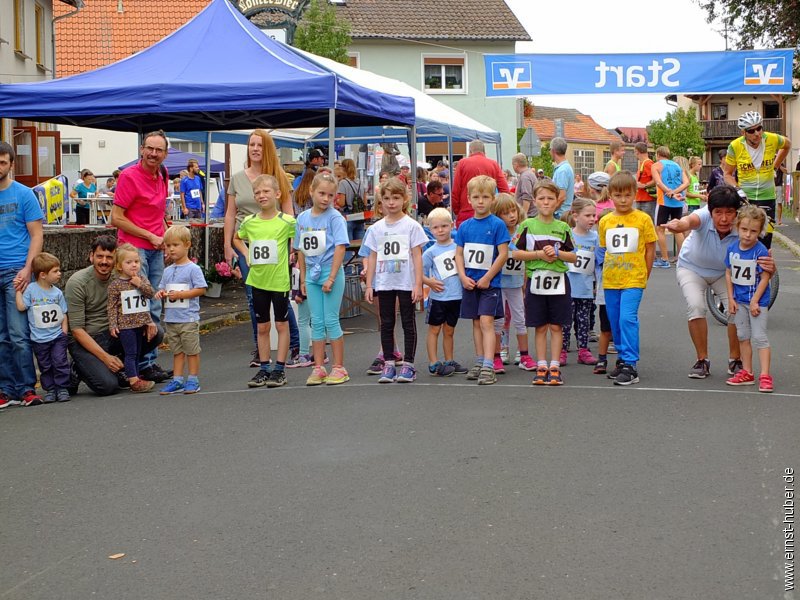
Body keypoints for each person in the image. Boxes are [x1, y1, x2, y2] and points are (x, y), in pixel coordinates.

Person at [662, 185, 768, 379]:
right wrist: (679, 225)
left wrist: (771, 265)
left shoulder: (743, 224)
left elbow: (763, 251)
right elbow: (689, 221)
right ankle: (702, 360)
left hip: (724, 273)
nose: (724, 218)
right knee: (696, 306)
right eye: (718, 213)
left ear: (737, 212)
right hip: (692, 267)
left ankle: (735, 360)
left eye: (729, 212)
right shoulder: (703, 216)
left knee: (736, 311)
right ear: (710, 211)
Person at [225, 129, 296, 367]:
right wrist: (229, 246)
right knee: (254, 296)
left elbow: (289, 213)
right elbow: (230, 213)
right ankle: (261, 350)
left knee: (280, 296)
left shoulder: (279, 177)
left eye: (260, 145)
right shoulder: (237, 178)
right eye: (251, 144)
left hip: (276, 241)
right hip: (248, 240)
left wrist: (291, 246)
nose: (255, 149)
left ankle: (293, 344)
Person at [65, 236, 163, 396]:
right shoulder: (77, 283)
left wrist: (148, 321)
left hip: (116, 332)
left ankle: (124, 369)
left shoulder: (121, 277)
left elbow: (140, 299)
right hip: (88, 338)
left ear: (116, 260)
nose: (104, 261)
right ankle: (78, 366)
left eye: (109, 257)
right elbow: (77, 330)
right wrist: (105, 358)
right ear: (91, 256)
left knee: (156, 333)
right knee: (108, 386)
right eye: (99, 256)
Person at [111, 130, 172, 383]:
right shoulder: (129, 176)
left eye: (159, 150)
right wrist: (149, 235)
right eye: (150, 148)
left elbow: (158, 212)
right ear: (141, 149)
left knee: (155, 303)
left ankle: (149, 361)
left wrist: (166, 236)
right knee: (139, 306)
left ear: (165, 154)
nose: (153, 154)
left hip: (156, 247)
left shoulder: (164, 175)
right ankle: (138, 364)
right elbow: (116, 217)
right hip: (133, 250)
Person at [363, 177, 428, 384]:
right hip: (384, 282)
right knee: (387, 322)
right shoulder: (376, 229)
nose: (391, 203)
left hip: (405, 281)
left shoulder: (411, 226)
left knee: (408, 322)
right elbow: (372, 256)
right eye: (387, 198)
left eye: (396, 198)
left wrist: (419, 284)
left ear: (404, 199)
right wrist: (370, 284)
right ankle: (389, 362)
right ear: (380, 201)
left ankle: (408, 364)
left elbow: (417, 256)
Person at [234, 175, 296, 388]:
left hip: (279, 281)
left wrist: (293, 252)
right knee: (262, 327)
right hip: (257, 281)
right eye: (257, 193)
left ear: (277, 194)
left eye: (266, 192)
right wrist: (246, 253)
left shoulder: (287, 220)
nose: (261, 196)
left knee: (281, 324)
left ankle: (280, 369)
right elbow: (236, 237)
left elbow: (300, 234)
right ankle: (263, 368)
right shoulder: (250, 222)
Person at [597, 171, 657, 386]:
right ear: (610, 195)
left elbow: (650, 248)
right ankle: (622, 358)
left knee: (627, 318)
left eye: (627, 195)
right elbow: (604, 250)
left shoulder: (643, 219)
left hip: (633, 278)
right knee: (614, 322)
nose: (623, 200)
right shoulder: (605, 221)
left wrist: (645, 273)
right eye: (618, 195)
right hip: (611, 279)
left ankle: (631, 364)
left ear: (634, 195)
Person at [515, 181, 576, 386]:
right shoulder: (527, 225)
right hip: (535, 281)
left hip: (558, 281)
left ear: (558, 202)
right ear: (534, 201)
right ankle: (541, 365)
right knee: (540, 326)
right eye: (541, 198)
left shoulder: (563, 227)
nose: (546, 202)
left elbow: (574, 256)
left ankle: (555, 366)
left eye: (550, 198)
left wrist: (558, 253)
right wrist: (539, 254)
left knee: (556, 326)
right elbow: (515, 252)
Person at [295, 172, 350, 386]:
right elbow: (300, 249)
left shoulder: (335, 217)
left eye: (330, 195)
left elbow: (340, 247)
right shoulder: (302, 218)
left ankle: (339, 366)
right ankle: (318, 366)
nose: (326, 199)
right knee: (316, 321)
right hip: (311, 273)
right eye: (322, 194)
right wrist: (303, 278)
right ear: (311, 192)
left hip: (329, 271)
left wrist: (333, 277)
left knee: (330, 319)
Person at [0, 141, 44, 409]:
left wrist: (28, 269)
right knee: (0, 336)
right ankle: (5, 390)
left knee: (18, 334)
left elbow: (37, 235)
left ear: (11, 164)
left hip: (16, 271)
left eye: (3, 162)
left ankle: (27, 388)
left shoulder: (24, 194)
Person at [455, 175, 510, 385]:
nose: (480, 201)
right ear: (469, 199)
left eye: (485, 197)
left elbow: (503, 254)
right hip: (470, 282)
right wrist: (462, 276)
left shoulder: (497, 225)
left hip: (490, 284)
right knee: (476, 322)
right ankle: (479, 360)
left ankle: (489, 364)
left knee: (487, 321)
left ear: (493, 199)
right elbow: (459, 254)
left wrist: (488, 277)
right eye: (476, 197)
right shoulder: (465, 227)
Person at [723, 111, 791, 248]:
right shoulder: (735, 146)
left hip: (768, 197)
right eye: (751, 130)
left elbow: (787, 144)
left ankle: (763, 267)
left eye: (759, 128)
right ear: (743, 132)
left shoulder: (772, 139)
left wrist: (775, 166)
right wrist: (737, 189)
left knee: (765, 242)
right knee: (745, 240)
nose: (757, 133)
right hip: (746, 199)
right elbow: (727, 174)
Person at [724, 205, 773, 392]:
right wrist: (730, 298)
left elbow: (765, 276)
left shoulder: (760, 251)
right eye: (744, 229)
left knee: (760, 337)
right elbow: (728, 273)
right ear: (737, 227)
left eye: (753, 231)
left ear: (760, 232)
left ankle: (765, 375)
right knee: (743, 337)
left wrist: (755, 301)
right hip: (739, 301)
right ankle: (747, 372)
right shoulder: (732, 248)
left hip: (757, 302)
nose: (747, 235)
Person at [155, 225, 208, 395]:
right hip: (171, 318)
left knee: (191, 351)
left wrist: (181, 294)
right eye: (168, 245)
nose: (171, 249)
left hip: (188, 318)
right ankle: (177, 379)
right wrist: (161, 293)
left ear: (187, 245)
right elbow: (162, 288)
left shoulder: (193, 269)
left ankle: (193, 379)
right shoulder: (168, 270)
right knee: (177, 351)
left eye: (175, 245)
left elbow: (201, 289)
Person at [16, 252, 70, 403]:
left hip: (57, 336)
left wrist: (64, 332)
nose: (59, 274)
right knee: (45, 365)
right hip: (39, 339)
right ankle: (50, 389)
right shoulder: (31, 290)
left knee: (60, 361)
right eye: (55, 271)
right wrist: (18, 292)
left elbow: (63, 313)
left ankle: (62, 387)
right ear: (43, 275)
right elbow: (21, 307)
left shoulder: (57, 293)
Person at [491, 194, 535, 373]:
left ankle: (524, 354)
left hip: (516, 282)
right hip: (499, 282)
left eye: (513, 211)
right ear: (497, 215)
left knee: (520, 317)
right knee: (499, 320)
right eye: (505, 213)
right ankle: (497, 353)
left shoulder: (522, 230)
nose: (511, 216)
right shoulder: (495, 232)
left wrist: (525, 281)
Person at [106, 243, 158, 393]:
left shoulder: (142, 278)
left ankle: (135, 375)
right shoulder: (115, 285)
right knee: (130, 353)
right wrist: (113, 324)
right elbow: (112, 306)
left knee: (137, 352)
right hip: (125, 325)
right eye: (129, 262)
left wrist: (139, 284)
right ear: (119, 266)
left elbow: (150, 294)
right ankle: (133, 380)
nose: (134, 265)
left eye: (136, 261)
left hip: (140, 324)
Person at [422, 208, 463, 377]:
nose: (440, 230)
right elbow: (419, 273)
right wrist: (429, 282)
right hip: (438, 297)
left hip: (456, 296)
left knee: (449, 330)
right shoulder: (430, 252)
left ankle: (449, 360)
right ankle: (433, 362)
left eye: (444, 226)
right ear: (430, 229)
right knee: (434, 329)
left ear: (451, 226)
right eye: (436, 227)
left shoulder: (458, 248)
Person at [563, 197, 599, 367]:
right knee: (565, 320)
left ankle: (583, 350)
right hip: (567, 286)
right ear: (575, 216)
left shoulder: (595, 238)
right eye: (588, 215)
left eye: (594, 215)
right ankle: (561, 350)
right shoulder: (567, 234)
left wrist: (597, 284)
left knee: (584, 320)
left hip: (586, 287)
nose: (593, 219)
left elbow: (598, 263)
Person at [451, 140, 509, 226]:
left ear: (470, 151)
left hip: (466, 211)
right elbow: (504, 190)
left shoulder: (462, 163)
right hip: (488, 211)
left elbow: (456, 190)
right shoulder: (493, 164)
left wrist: (457, 211)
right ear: (484, 152)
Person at [651, 146, 689, 268]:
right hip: (678, 201)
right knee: (677, 229)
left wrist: (669, 192)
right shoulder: (677, 165)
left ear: (658, 154)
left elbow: (658, 182)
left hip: (664, 201)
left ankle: (664, 259)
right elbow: (686, 182)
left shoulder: (656, 165)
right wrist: (675, 192)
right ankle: (682, 258)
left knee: (660, 229)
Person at [335, 158, 366, 242]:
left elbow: (341, 203)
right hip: (360, 217)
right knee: (359, 247)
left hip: (348, 216)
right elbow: (365, 202)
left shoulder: (343, 183)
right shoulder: (360, 182)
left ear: (344, 168)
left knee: (347, 246)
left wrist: (336, 201)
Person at [550, 137, 575, 217]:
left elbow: (561, 197)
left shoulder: (562, 171)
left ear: (553, 151)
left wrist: (550, 211)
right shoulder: (566, 167)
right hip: (564, 212)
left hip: (560, 214)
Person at [634, 142, 657, 221]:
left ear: (637, 151)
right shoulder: (643, 163)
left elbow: (656, 179)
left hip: (647, 200)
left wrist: (644, 185)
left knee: (648, 223)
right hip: (641, 199)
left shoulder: (648, 163)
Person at [511, 153, 538, 217]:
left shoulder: (525, 177)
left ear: (516, 165)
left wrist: (523, 216)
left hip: (530, 214)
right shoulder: (529, 174)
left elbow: (527, 197)